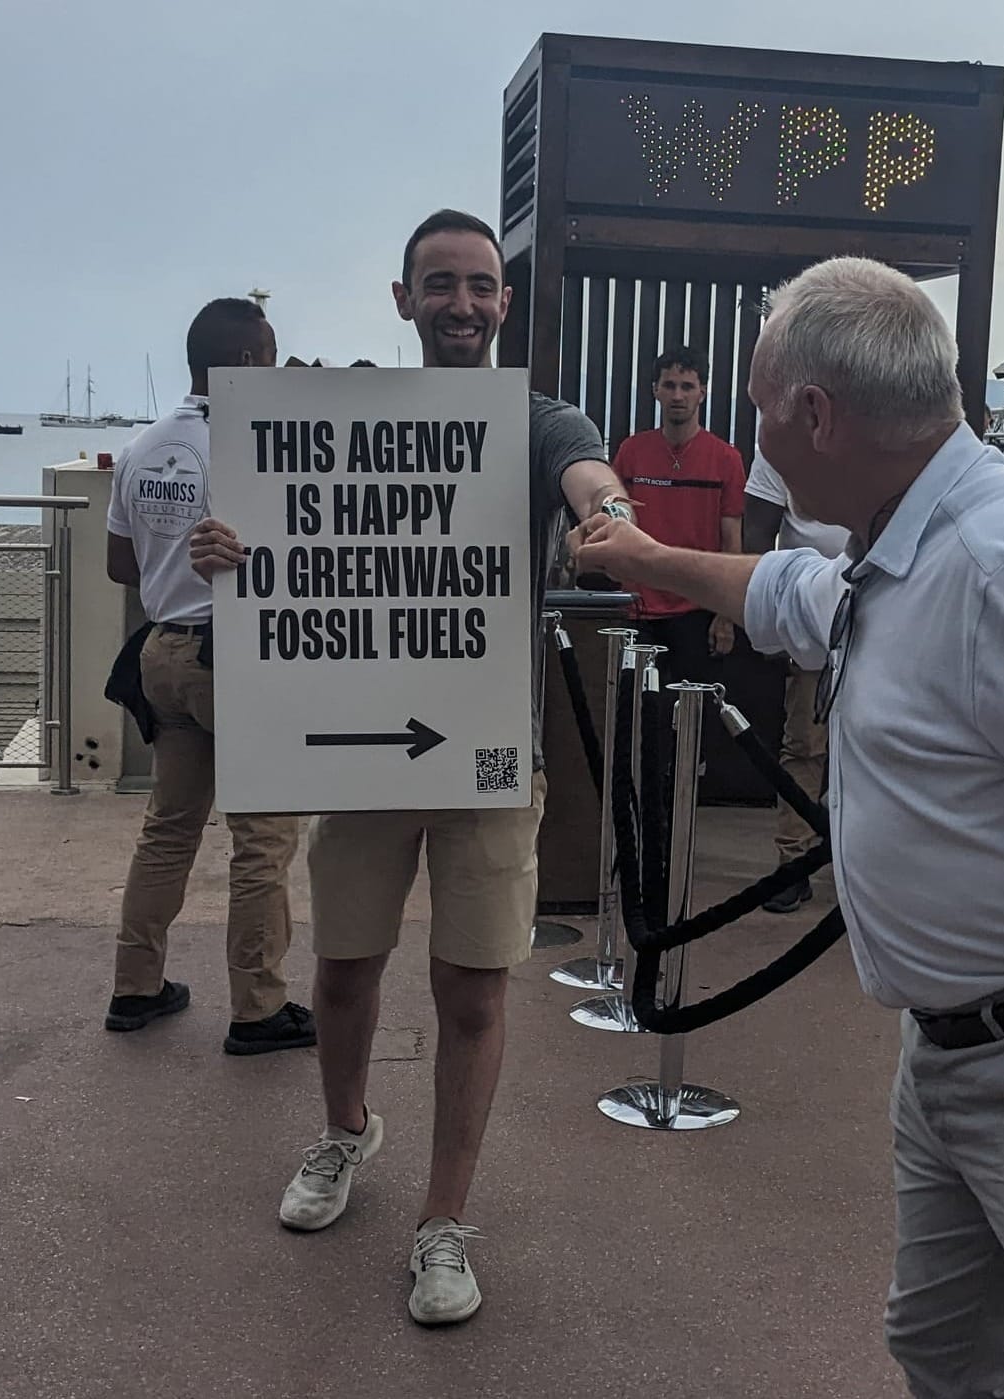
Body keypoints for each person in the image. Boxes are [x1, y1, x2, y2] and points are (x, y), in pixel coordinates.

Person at [569, 257, 1004, 1398]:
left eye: (758, 402)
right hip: (954, 1055)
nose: (754, 429)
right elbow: (789, 596)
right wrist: (641, 556)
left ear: (815, 416)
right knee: (943, 1348)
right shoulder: (902, 544)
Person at [190, 210, 627, 1326]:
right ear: (402, 300)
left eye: (480, 285)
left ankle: (444, 1217)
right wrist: (225, 549)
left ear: (503, 302)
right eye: (440, 284)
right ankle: (345, 1131)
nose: (463, 304)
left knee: (471, 991)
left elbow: (586, 474)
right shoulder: (336, 422)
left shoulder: (539, 420)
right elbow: (290, 541)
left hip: (484, 759)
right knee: (341, 972)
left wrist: (606, 513)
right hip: (361, 747)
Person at [102, 298, 316, 1057]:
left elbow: (120, 564)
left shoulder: (142, 446)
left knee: (169, 827)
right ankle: (258, 1006)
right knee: (262, 837)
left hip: (162, 650)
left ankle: (136, 984)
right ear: (252, 360)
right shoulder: (258, 446)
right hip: (240, 657)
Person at [742, 453, 848, 913]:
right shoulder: (779, 443)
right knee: (804, 743)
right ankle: (793, 862)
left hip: (882, 603)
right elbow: (758, 532)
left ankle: (863, 869)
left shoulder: (880, 421)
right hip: (810, 614)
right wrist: (770, 612)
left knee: (878, 745)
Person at [610, 347, 745, 686]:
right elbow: (613, 522)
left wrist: (725, 615)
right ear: (655, 390)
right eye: (669, 385)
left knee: (689, 717)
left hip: (695, 611)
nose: (678, 395)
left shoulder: (726, 459)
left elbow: (732, 541)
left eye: (687, 386)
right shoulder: (631, 452)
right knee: (631, 714)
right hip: (637, 609)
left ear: (703, 392)